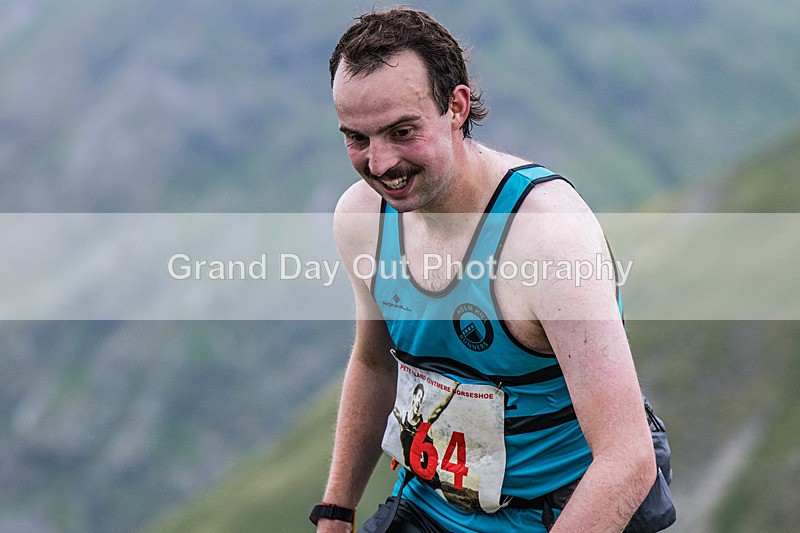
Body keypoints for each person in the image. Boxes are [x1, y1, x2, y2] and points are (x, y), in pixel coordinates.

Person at [313, 7, 657, 532]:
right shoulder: (361, 219)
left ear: (457, 106)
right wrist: (335, 513)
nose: (380, 165)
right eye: (356, 139)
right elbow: (377, 365)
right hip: (429, 507)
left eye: (402, 131)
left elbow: (627, 461)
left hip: (559, 515)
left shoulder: (548, 236)